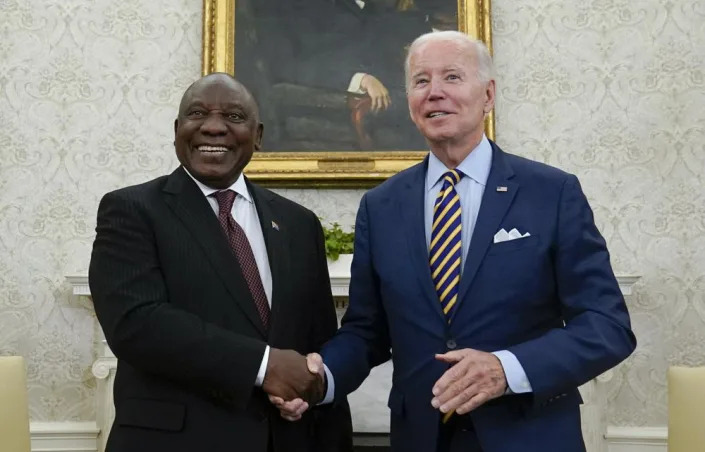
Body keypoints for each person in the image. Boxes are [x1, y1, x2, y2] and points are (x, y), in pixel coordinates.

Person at [273, 31, 637, 452]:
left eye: (452, 77)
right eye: (421, 81)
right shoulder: (381, 205)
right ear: (409, 101)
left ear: (488, 94)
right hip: (422, 438)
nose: (435, 93)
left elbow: (607, 326)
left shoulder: (551, 193)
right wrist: (320, 378)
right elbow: (366, 331)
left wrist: (507, 368)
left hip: (529, 434)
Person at [88, 73, 352, 452]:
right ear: (178, 130)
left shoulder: (298, 223)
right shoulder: (132, 210)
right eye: (198, 114)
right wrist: (265, 365)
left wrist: (310, 392)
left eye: (233, 116)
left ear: (257, 135)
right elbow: (136, 324)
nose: (213, 127)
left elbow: (319, 341)